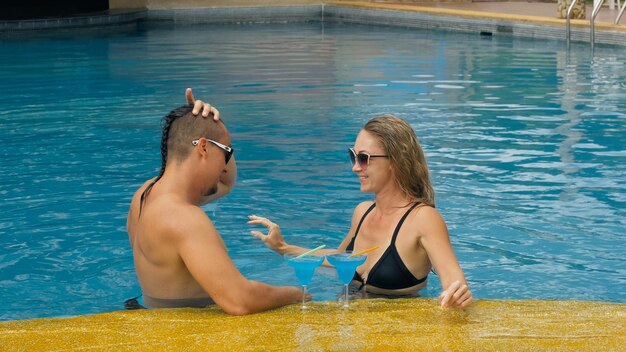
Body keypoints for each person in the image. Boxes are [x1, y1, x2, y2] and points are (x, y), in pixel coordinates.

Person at [249, 114, 473, 309]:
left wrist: (457, 296)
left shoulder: (422, 219)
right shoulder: (362, 212)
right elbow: (339, 258)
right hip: (348, 323)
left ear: (396, 161)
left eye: (363, 158)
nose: (355, 167)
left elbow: (455, 283)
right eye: (353, 156)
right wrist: (284, 248)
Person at [125, 93, 303, 315]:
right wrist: (298, 294)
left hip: (150, 313)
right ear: (203, 148)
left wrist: (207, 128)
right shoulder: (183, 218)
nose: (226, 164)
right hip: (182, 333)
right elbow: (239, 300)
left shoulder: (144, 195)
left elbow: (226, 183)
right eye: (227, 152)